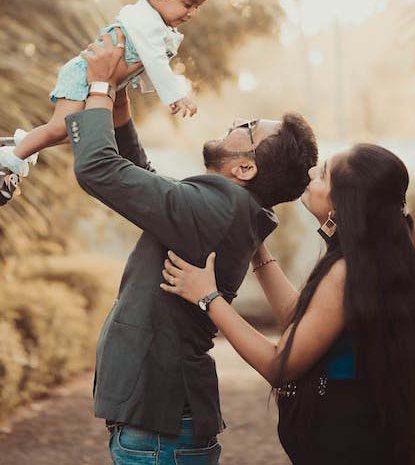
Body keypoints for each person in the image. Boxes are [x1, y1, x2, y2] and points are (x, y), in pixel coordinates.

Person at [31, 29, 317, 464]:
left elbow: (98, 170)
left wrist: (101, 85)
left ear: (245, 168)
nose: (236, 122)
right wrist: (119, 108)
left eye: (247, 128)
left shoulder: (218, 207)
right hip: (165, 429)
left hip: (159, 436)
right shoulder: (227, 208)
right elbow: (147, 184)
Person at [161, 143, 415, 465]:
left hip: (344, 446)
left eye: (323, 173)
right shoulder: (387, 258)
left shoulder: (346, 272)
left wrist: (208, 297)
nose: (312, 171)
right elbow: (305, 321)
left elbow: (280, 365)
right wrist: (257, 248)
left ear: (342, 204)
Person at [0, 0, 212, 204]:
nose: (192, 13)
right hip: (84, 76)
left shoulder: (155, 22)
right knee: (59, 128)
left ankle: (19, 145)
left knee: (77, 134)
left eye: (197, 7)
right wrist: (176, 95)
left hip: (100, 81)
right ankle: (7, 163)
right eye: (188, 4)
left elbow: (145, 63)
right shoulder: (146, 21)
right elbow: (155, 60)